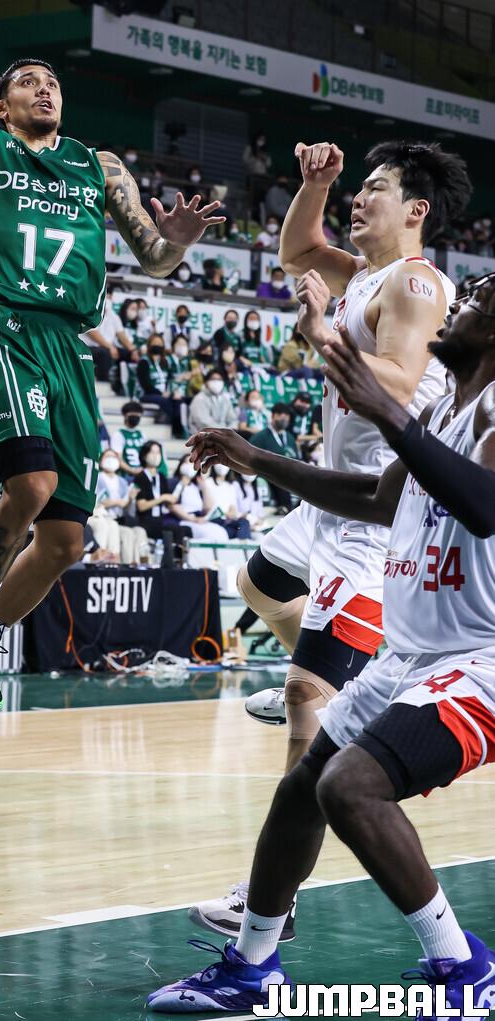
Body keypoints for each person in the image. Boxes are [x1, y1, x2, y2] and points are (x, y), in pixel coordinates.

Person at [0, 0, 221, 735]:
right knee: (32, 487)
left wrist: (178, 242)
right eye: (28, 82)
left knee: (67, 541)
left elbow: (153, 257)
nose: (46, 89)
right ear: (1, 103)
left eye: (53, 82)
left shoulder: (96, 165)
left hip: (65, 347)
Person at [159, 278, 495, 1016]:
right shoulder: (443, 407)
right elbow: (375, 498)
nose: (463, 298)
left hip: (483, 659)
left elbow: (486, 505)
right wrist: (257, 459)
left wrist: (386, 413)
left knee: (349, 786)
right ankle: (251, 968)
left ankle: (463, 966)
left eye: (480, 295)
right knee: (300, 790)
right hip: (412, 653)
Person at [184, 139, 466, 943]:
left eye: (373, 188)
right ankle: (335, 680)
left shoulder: (414, 282)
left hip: (374, 510)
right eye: (358, 187)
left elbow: (397, 385)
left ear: (414, 210)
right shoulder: (365, 274)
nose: (359, 198)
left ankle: (273, 899)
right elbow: (297, 251)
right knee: (258, 583)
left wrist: (317, 336)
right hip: (326, 500)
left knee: (305, 696)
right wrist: (314, 184)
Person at [132, 441, 191, 565]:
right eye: (152, 452)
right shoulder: (140, 477)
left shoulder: (161, 477)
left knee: (185, 529)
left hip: (159, 519)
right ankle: (171, 563)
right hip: (145, 520)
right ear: (144, 455)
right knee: (172, 530)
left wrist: (181, 485)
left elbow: (171, 500)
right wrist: (162, 498)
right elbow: (141, 506)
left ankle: (181, 562)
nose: (155, 456)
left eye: (158, 452)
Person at [188, 370, 238, 434]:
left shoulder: (225, 399)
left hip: (225, 435)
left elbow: (233, 420)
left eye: (219, 379)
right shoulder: (199, 399)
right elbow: (203, 423)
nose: (217, 382)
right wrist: (224, 431)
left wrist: (231, 431)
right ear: (206, 383)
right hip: (204, 436)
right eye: (213, 379)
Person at [109, 400, 148, 477]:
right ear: (125, 416)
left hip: (141, 473)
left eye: (138, 415)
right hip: (125, 475)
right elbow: (118, 458)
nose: (136, 418)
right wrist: (132, 471)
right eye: (133, 415)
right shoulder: (119, 434)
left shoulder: (142, 434)